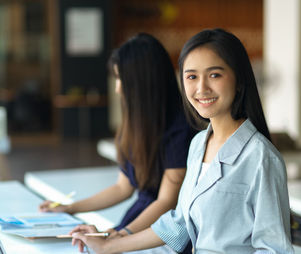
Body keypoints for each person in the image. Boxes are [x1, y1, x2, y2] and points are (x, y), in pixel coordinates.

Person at [70, 28, 294, 254]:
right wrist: (109, 245)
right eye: (192, 76)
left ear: (238, 80)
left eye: (215, 75)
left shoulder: (262, 158)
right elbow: (179, 224)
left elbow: (275, 249)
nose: (201, 88)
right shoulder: (198, 144)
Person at [39, 33, 195, 252]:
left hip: (162, 233)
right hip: (138, 223)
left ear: (142, 83)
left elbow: (166, 202)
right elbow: (122, 187)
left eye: (121, 79)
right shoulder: (136, 125)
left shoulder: (180, 130)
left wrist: (121, 235)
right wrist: (70, 208)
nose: (117, 88)